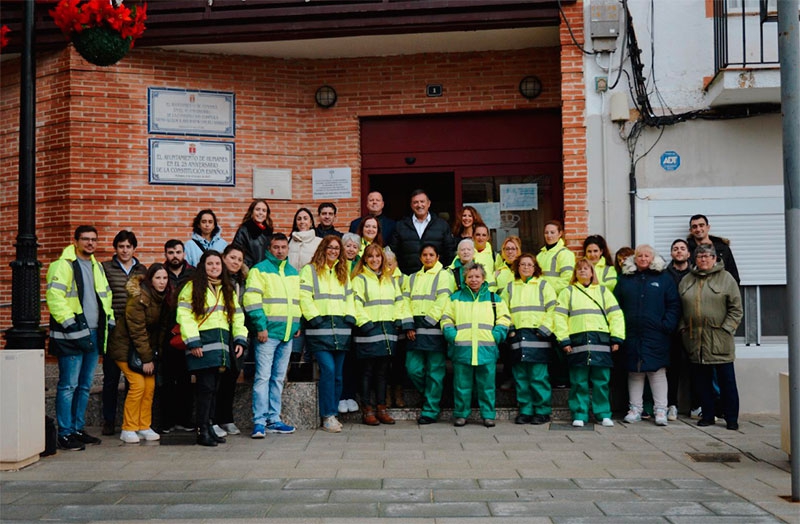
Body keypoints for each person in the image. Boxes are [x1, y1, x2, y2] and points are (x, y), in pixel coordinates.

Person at [46, 225, 114, 450]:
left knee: (84, 385)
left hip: (94, 333)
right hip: (72, 334)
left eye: (94, 239)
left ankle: (77, 428)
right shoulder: (62, 265)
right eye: (85, 239)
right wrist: (70, 323)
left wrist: (109, 324)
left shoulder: (97, 266)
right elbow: (54, 297)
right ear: (75, 241)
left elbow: (106, 298)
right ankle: (64, 433)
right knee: (68, 386)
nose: (90, 243)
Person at [176, 250, 247, 446]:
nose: (214, 267)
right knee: (205, 389)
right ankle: (202, 431)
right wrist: (193, 342)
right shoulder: (192, 287)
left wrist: (240, 340)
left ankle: (208, 427)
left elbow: (237, 316)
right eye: (210, 264)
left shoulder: (227, 288)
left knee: (214, 388)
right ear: (203, 266)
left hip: (222, 345)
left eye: (217, 264)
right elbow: (184, 315)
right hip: (202, 344)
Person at [614, 245, 681, 427]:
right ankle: (635, 409)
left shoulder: (664, 278)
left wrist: (666, 325)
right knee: (635, 372)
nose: (643, 258)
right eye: (640, 256)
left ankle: (661, 410)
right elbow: (616, 305)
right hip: (632, 334)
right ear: (634, 259)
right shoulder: (625, 279)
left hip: (657, 334)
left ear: (653, 258)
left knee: (657, 372)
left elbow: (673, 305)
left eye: (647, 255)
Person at [678, 244, 743, 430]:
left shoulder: (726, 279)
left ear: (715, 258)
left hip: (719, 339)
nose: (704, 260)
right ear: (695, 259)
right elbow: (680, 308)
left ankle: (731, 418)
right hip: (695, 339)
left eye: (708, 256)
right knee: (702, 382)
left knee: (727, 381)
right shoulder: (687, 280)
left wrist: (726, 329)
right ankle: (707, 415)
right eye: (700, 257)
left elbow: (736, 309)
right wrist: (683, 330)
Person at [554, 258, 625, 428]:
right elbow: (559, 318)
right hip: (577, 342)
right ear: (575, 274)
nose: (583, 272)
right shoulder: (567, 292)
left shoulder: (603, 292)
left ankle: (603, 414)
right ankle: (579, 413)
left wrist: (616, 338)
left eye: (586, 269)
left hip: (601, 342)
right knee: (579, 381)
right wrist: (563, 339)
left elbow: (615, 315)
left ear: (592, 272)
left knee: (601, 381)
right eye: (579, 270)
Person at [441, 262, 511, 427]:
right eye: (470, 276)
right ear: (465, 279)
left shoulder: (494, 298)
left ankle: (488, 415)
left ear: (483, 278)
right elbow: (446, 318)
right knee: (461, 385)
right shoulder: (455, 298)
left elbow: (504, 318)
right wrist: (452, 335)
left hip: (486, 349)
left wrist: (497, 334)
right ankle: (461, 414)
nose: (474, 280)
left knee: (487, 386)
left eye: (477, 276)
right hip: (462, 349)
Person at [107, 264, 172, 444]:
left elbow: (160, 329)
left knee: (149, 386)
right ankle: (128, 428)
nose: (162, 282)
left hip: (144, 350)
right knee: (137, 386)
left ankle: (144, 425)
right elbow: (137, 331)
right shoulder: (139, 298)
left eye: (165, 278)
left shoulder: (163, 298)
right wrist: (147, 359)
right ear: (150, 279)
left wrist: (155, 354)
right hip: (124, 348)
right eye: (158, 278)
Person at [244, 233, 300, 438]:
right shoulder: (259, 270)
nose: (280, 251)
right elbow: (252, 300)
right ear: (270, 248)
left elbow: (297, 301)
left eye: (284, 247)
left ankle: (274, 419)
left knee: (277, 379)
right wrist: (260, 327)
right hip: (267, 335)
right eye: (276, 247)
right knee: (263, 378)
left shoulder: (293, 272)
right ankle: (259, 421)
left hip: (287, 334)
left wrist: (297, 324)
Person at [299, 235, 356, 433]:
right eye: (330, 247)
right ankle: (328, 415)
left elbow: (350, 297)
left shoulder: (343, 271)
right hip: (319, 328)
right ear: (323, 248)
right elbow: (304, 296)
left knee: (338, 375)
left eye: (336, 248)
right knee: (329, 370)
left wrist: (350, 315)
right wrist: (313, 317)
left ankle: (333, 413)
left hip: (341, 328)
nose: (333, 251)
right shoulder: (310, 270)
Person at [351, 243, 412, 425]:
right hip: (368, 331)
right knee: (367, 372)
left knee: (382, 372)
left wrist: (397, 321)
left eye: (378, 257)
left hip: (387, 332)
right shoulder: (359, 280)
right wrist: (366, 324)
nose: (375, 260)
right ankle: (367, 409)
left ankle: (381, 408)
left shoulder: (390, 280)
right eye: (371, 257)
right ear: (365, 260)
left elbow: (399, 302)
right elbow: (356, 304)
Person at [500, 254, 557, 425]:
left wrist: (544, 330)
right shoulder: (510, 287)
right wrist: (509, 329)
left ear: (535, 267)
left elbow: (553, 309)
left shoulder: (544, 285)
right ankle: (525, 410)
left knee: (538, 376)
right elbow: (503, 310)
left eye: (529, 264)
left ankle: (542, 410)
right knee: (521, 376)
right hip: (518, 336)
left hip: (538, 336)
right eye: (522, 264)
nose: (525, 267)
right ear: (517, 267)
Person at [101, 230, 147, 436]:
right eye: (121, 246)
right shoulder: (105, 268)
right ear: (116, 248)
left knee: (133, 378)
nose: (125, 250)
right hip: (114, 328)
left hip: (134, 330)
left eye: (128, 246)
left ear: (134, 248)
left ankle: (131, 421)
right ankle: (108, 420)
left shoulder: (142, 269)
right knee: (111, 378)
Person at [404, 244, 455, 424]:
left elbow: (444, 299)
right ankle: (431, 396)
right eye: (424, 255)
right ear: (420, 258)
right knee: (413, 368)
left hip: (434, 327)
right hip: (414, 329)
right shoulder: (411, 278)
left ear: (437, 257)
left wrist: (430, 319)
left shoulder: (444, 276)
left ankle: (430, 410)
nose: (428, 258)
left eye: (431, 255)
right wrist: (408, 324)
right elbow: (404, 301)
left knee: (435, 371)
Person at [156, 239, 195, 433]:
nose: (175, 256)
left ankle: (186, 420)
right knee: (167, 380)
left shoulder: (193, 274)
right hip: (166, 332)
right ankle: (167, 421)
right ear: (165, 254)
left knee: (186, 380)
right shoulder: (160, 274)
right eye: (170, 252)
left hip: (187, 332)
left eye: (178, 252)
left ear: (184, 254)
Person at [212, 244, 248, 438]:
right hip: (219, 332)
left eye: (239, 259)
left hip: (237, 333)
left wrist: (241, 338)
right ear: (224, 257)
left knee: (231, 378)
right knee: (216, 379)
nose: (236, 262)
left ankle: (226, 418)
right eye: (232, 258)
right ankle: (213, 419)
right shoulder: (216, 279)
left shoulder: (242, 280)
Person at [537, 220, 575, 389]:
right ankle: (555, 377)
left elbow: (567, 279)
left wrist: (546, 288)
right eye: (547, 232)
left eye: (553, 232)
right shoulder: (540, 255)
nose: (549, 235)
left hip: (559, 302)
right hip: (543, 303)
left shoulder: (565, 254)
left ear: (560, 234)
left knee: (559, 342)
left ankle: (563, 378)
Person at [391, 189, 455, 275]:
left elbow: (450, 251)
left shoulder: (442, 225)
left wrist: (445, 272)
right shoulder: (401, 226)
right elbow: (393, 253)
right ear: (411, 205)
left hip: (436, 277)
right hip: (409, 277)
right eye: (415, 202)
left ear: (428, 203)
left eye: (422, 201)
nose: (419, 205)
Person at [666, 238, 692, 420]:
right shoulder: (664, 274)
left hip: (692, 327)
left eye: (682, 248)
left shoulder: (696, 274)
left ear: (689, 253)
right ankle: (671, 405)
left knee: (694, 368)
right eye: (675, 249)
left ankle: (696, 405)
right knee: (672, 369)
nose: (679, 251)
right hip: (672, 329)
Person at [337, 232, 362, 415]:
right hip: (341, 317)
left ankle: (351, 395)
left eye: (355, 246)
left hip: (359, 317)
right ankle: (341, 396)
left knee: (354, 359)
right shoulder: (336, 265)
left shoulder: (363, 265)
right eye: (348, 246)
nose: (351, 249)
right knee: (341, 359)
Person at [687, 214, 740, 284]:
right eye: (694, 227)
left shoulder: (723, 249)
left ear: (708, 227)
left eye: (701, 225)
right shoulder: (687, 251)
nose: (698, 229)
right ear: (691, 230)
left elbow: (734, 276)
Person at [232, 199, 274, 268]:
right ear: (252, 212)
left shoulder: (269, 232)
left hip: (266, 272)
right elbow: (236, 252)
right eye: (257, 209)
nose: (260, 213)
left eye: (264, 210)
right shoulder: (244, 230)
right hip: (250, 271)